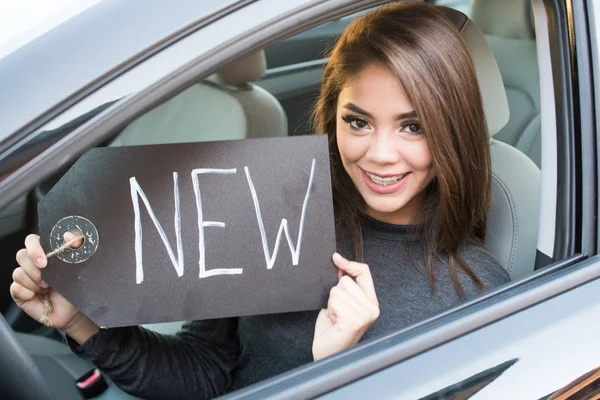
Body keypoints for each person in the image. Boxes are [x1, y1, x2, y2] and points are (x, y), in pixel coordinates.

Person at [10, 3, 510, 399]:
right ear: (333, 117)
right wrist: (81, 324)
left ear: (452, 126)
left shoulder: (477, 290)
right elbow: (209, 372)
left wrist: (335, 371)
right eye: (357, 121)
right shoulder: (273, 211)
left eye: (413, 126)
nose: (380, 155)